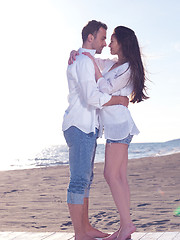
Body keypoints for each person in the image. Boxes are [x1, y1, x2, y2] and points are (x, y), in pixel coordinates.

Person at [69, 26, 149, 240]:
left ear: (122, 43)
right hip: (116, 126)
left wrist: (95, 71)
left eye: (112, 40)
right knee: (119, 176)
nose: (109, 44)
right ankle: (125, 227)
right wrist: (76, 52)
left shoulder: (128, 68)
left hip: (119, 126)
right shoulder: (116, 65)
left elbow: (104, 87)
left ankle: (127, 225)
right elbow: (93, 59)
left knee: (111, 175)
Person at [62, 20, 129, 240]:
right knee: (79, 181)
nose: (104, 43)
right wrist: (118, 99)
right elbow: (92, 97)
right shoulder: (82, 61)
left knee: (85, 179)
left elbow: (110, 65)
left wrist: (79, 53)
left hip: (88, 128)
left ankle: (86, 227)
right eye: (102, 38)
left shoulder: (88, 60)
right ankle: (80, 233)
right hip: (79, 126)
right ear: (90, 38)